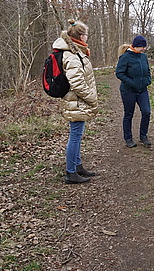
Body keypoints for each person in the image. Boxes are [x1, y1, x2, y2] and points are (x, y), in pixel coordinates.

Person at [53, 19, 98, 184]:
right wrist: (92, 98)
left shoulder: (76, 51)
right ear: (80, 35)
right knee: (75, 135)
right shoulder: (71, 55)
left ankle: (77, 166)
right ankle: (71, 172)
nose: (87, 37)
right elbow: (77, 84)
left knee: (77, 134)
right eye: (86, 34)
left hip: (77, 101)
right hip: (76, 101)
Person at [115, 35, 152, 148]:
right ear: (136, 46)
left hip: (142, 90)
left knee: (146, 112)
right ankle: (128, 138)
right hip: (128, 91)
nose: (144, 49)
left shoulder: (143, 57)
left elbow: (148, 71)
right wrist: (132, 83)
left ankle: (143, 136)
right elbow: (119, 73)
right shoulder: (125, 57)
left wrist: (148, 80)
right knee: (128, 114)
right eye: (142, 47)